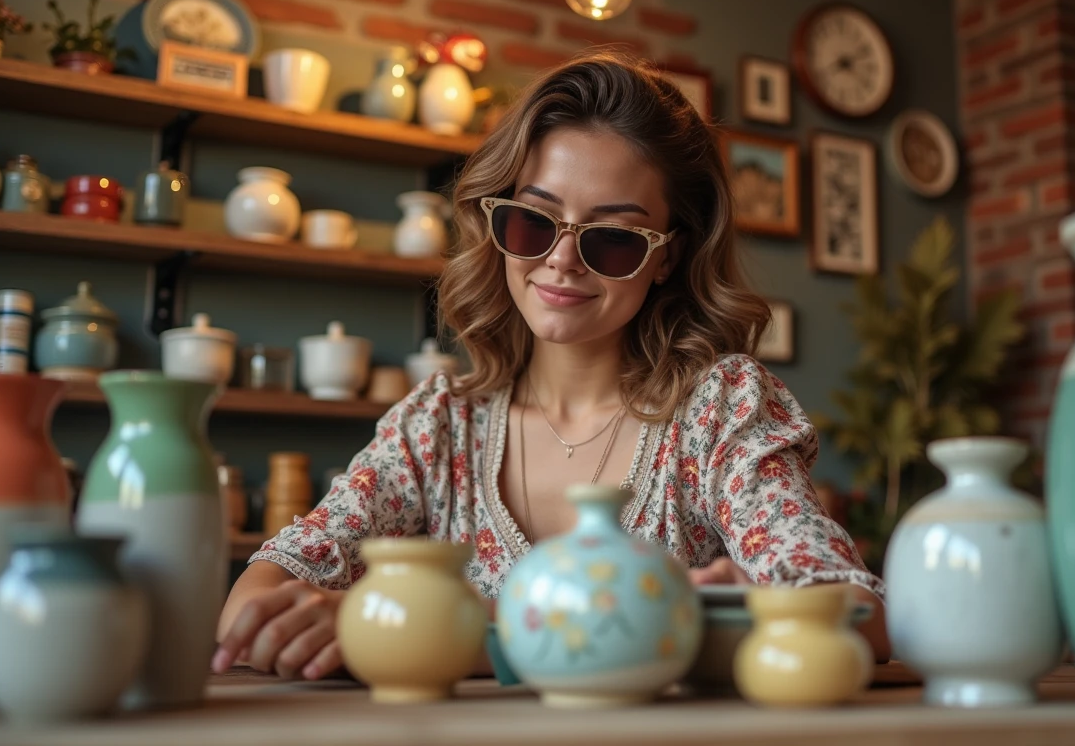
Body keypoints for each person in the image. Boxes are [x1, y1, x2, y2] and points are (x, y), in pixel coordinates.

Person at [213, 51, 889, 682]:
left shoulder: (720, 411)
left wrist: (440, 631)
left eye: (613, 238)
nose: (561, 260)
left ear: (667, 257)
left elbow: (855, 613)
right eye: (534, 222)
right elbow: (255, 603)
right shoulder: (438, 427)